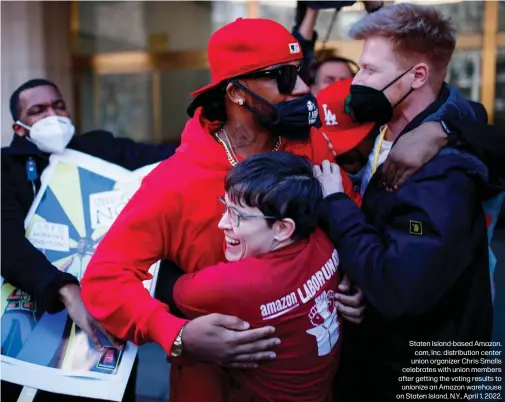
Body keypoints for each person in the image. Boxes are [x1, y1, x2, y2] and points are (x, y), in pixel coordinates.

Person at [80, 16, 486, 402]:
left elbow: (354, 212)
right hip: (214, 387)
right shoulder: (174, 183)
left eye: (303, 70)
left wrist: (354, 282)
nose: (304, 89)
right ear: (237, 92)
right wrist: (177, 333)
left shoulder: (310, 144)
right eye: (286, 76)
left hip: (319, 383)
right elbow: (103, 281)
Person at [310, 4, 504, 400]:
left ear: (417, 76)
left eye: (370, 71)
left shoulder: (438, 176)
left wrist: (336, 205)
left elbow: (399, 289)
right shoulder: (391, 128)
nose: (357, 80)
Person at [0, 78, 180, 402]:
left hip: (108, 317)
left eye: (58, 106)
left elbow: (169, 157)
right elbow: (6, 242)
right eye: (38, 110)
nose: (52, 115)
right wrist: (66, 291)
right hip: (32, 315)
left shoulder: (100, 148)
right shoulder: (5, 167)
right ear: (19, 127)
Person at [173, 151, 342, 402]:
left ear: (283, 228)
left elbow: (180, 292)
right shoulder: (323, 240)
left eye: (237, 215)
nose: (222, 223)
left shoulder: (246, 283)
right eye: (225, 207)